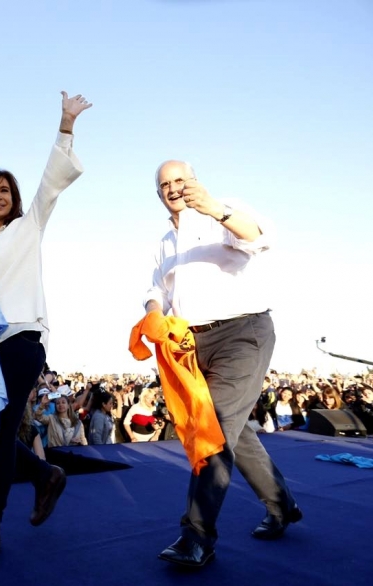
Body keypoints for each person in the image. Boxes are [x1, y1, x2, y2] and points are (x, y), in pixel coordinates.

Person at [0, 91, 92, 562]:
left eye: (5, 189)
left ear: (12, 199)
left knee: (3, 425)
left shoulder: (27, 228)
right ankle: (45, 475)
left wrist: (66, 124)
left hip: (22, 339)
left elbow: (51, 183)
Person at [144, 160, 300, 568]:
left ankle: (196, 536)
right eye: (165, 184)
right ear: (158, 193)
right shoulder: (164, 241)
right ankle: (282, 504)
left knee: (212, 432)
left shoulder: (221, 209)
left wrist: (215, 209)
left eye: (181, 179)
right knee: (230, 429)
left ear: (194, 181)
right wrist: (152, 312)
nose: (174, 187)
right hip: (193, 344)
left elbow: (261, 237)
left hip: (243, 334)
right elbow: (157, 287)